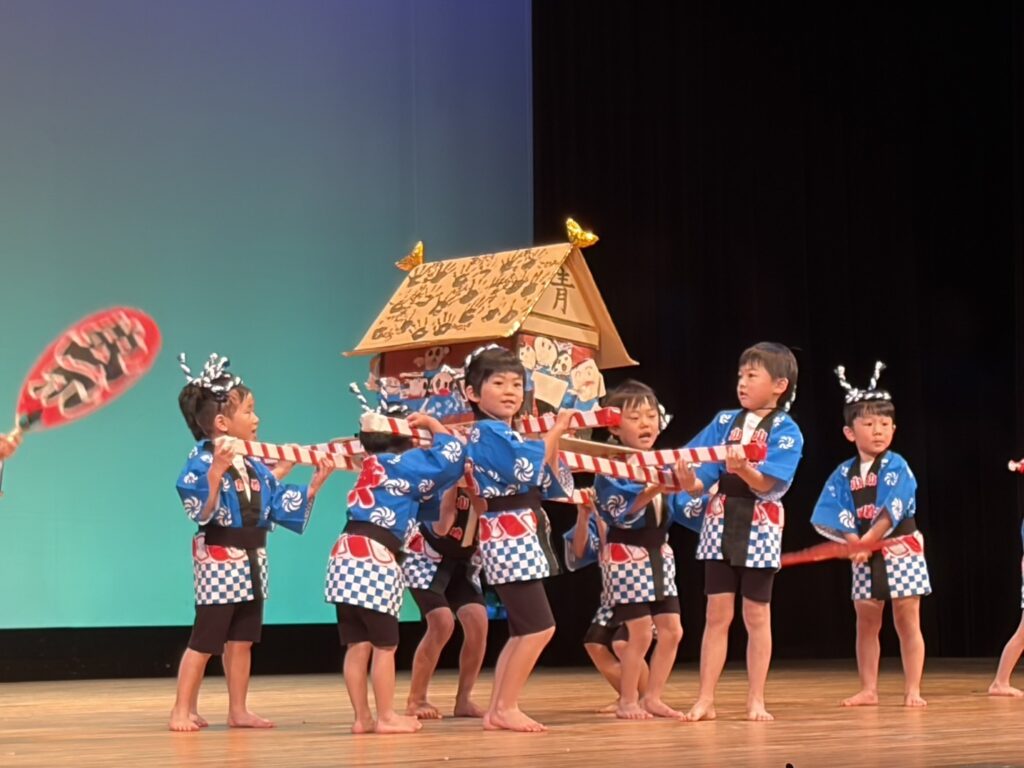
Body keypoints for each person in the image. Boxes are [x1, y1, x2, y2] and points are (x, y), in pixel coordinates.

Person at [170, 353, 334, 732]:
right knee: (205, 639)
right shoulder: (201, 461)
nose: (256, 418)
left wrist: (311, 484)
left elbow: (266, 501)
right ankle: (181, 709)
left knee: (242, 639)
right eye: (248, 411)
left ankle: (238, 710)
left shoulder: (253, 462)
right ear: (222, 423)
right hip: (220, 557)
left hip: (253, 557)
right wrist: (216, 471)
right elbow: (202, 510)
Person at [680, 342, 803, 722]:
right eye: (740, 376)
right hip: (719, 521)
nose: (742, 383)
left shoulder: (786, 430)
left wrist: (745, 469)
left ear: (779, 385)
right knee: (716, 613)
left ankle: (756, 699)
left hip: (760, 524)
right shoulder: (724, 422)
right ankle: (705, 698)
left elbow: (770, 484)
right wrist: (687, 480)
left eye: (752, 375)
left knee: (756, 614)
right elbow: (700, 477)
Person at [326, 410, 465, 734]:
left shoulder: (370, 466)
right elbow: (450, 456)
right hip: (373, 557)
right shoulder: (400, 464)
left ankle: (362, 718)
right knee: (384, 645)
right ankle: (386, 716)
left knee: (358, 644)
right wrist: (432, 425)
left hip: (343, 553)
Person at [462, 344, 575, 732]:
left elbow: (545, 476)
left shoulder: (504, 433)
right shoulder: (488, 432)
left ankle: (499, 707)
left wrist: (551, 438)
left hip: (515, 530)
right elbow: (527, 469)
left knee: (523, 629)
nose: (510, 390)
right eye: (498, 383)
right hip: (509, 532)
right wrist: (555, 431)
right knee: (540, 627)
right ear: (472, 392)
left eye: (516, 383)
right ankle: (505, 706)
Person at [812, 362, 930, 707]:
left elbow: (894, 508)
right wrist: (853, 542)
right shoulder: (843, 473)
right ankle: (869, 688)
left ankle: (913, 689)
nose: (878, 431)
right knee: (866, 619)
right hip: (862, 551)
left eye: (884, 424)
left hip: (900, 546)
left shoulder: (898, 466)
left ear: (894, 428)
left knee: (907, 617)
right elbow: (833, 510)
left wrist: (868, 540)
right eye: (868, 424)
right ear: (850, 432)